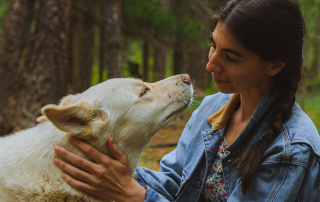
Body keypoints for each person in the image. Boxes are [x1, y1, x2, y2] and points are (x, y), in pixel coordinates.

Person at [53, 0, 320, 201]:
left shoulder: (292, 148)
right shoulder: (212, 108)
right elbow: (176, 182)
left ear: (274, 65)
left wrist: (136, 196)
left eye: (231, 57)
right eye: (213, 45)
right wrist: (121, 172)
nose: (210, 64)